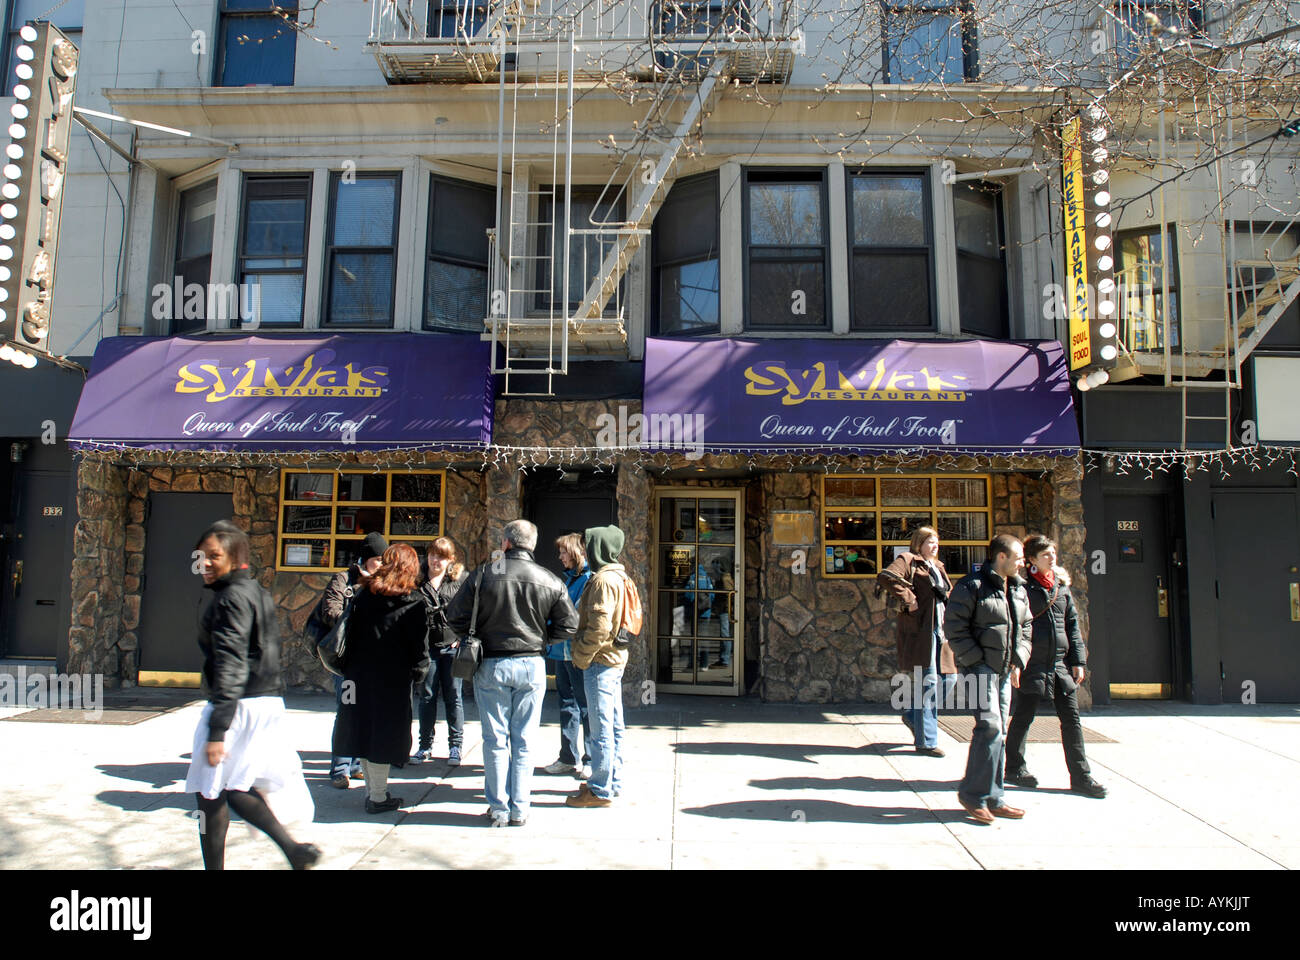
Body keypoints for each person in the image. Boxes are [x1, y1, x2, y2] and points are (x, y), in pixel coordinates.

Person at [186, 520, 319, 870]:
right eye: (202, 556)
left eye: (215, 555)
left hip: (238, 703)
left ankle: (225, 865)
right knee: (233, 787)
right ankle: (293, 851)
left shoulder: (230, 599)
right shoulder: (255, 591)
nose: (206, 563)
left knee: (211, 790)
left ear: (235, 556)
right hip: (264, 701)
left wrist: (217, 730)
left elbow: (231, 662)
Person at [446, 519, 578, 827]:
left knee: (495, 740)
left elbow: (454, 616)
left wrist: (474, 635)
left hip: (491, 662)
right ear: (531, 545)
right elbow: (569, 625)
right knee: (524, 739)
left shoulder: (483, 574)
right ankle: (520, 808)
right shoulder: (549, 579)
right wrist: (544, 640)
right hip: (532, 664)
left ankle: (500, 809)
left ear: (506, 543)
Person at [1005, 535, 1108, 799]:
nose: (1052, 558)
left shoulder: (1061, 588)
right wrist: (1016, 662)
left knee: (1071, 720)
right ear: (1032, 561)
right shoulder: (1021, 587)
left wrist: (1078, 660)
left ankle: (1081, 776)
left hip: (1060, 665)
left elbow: (1072, 626)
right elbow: (1015, 627)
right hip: (1033, 663)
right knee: (1024, 717)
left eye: (1053, 554)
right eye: (1046, 555)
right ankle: (1014, 768)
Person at [333, 543, 431, 814]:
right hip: (392, 679)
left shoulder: (364, 594)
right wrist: (420, 671)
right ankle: (377, 797)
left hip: (356, 675)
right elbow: (419, 647)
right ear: (410, 568)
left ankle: (373, 792)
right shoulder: (414, 602)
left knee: (362, 730)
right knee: (383, 736)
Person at [944, 533, 1033, 825]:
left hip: (1006, 670)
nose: (1023, 563)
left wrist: (1018, 660)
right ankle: (973, 795)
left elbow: (1027, 627)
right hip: (980, 670)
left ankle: (994, 797)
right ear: (1001, 557)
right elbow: (955, 629)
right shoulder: (971, 586)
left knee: (1000, 732)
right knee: (990, 727)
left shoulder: (1018, 588)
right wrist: (975, 661)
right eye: (1019, 557)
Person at [314, 531, 388, 789]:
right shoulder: (343, 580)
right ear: (367, 559)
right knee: (347, 710)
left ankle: (357, 764)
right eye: (379, 559)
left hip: (372, 659)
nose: (382, 564)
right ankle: (339, 769)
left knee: (366, 711)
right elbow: (330, 611)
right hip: (347, 660)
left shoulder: (384, 582)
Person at [877, 526, 955, 757]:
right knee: (929, 684)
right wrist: (909, 600)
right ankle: (927, 742)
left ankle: (913, 716)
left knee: (949, 679)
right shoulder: (909, 560)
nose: (934, 546)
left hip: (941, 630)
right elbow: (886, 577)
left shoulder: (938, 567)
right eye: (930, 542)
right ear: (919, 543)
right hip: (922, 631)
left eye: (936, 542)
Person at [567, 524, 631, 809]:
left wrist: (581, 655)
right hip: (613, 660)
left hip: (600, 661)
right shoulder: (619, 575)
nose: (586, 549)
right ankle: (611, 781)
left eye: (589, 544)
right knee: (613, 723)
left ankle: (599, 789)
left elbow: (599, 627)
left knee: (600, 726)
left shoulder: (604, 580)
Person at [539, 532, 592, 779]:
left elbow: (573, 616)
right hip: (560, 652)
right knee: (567, 705)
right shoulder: (568, 580)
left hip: (576, 654)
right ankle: (568, 757)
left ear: (576, 553)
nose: (559, 557)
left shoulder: (589, 580)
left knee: (585, 707)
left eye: (563, 552)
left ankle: (590, 758)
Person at [412, 537, 467, 766]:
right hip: (427, 648)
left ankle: (455, 746)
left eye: (441, 556)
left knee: (454, 697)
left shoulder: (460, 580)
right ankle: (425, 746)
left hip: (451, 647)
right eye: (433, 555)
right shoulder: (418, 580)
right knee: (427, 697)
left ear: (450, 559)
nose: (436, 560)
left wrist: (461, 637)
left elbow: (469, 611)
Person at [708, 557, 735, 669]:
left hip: (725, 610)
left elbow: (729, 595)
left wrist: (724, 607)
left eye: (716, 564)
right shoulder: (721, 578)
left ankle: (724, 660)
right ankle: (723, 658)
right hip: (723, 609)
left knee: (725, 634)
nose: (714, 567)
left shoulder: (724, 578)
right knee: (723, 634)